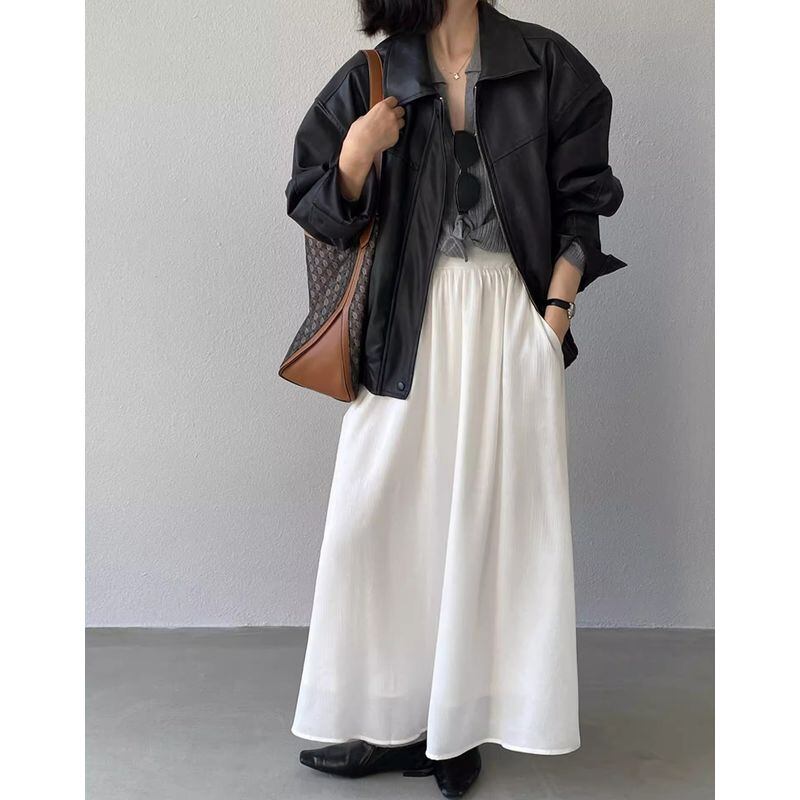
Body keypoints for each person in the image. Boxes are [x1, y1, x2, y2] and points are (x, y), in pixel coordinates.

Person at [284, 1, 625, 796]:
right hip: (406, 321)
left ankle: (455, 728)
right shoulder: (375, 75)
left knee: (486, 526)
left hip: (509, 318)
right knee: (379, 521)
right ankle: (387, 720)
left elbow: (583, 206)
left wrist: (552, 319)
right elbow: (315, 203)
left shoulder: (549, 66)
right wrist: (356, 154)